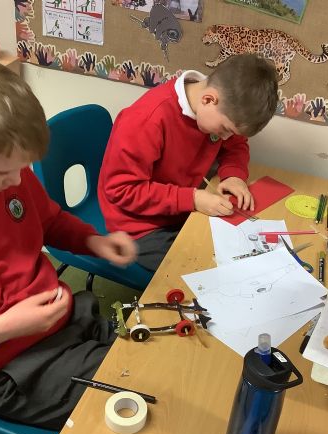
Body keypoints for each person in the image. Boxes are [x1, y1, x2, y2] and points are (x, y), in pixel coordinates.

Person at [0, 59, 137, 430]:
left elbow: (47, 220)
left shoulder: (2, 170)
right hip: (15, 366)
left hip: (66, 321)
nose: (17, 181)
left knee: (160, 359)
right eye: (3, 173)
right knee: (145, 402)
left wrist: (92, 241)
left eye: (22, 168)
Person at [98, 54, 279, 272]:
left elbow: (236, 145)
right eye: (225, 129)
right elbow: (121, 190)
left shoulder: (218, 108)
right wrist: (192, 199)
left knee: (234, 253)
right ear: (208, 100)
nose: (225, 138)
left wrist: (234, 175)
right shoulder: (147, 119)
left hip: (180, 208)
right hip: (137, 224)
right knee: (203, 272)